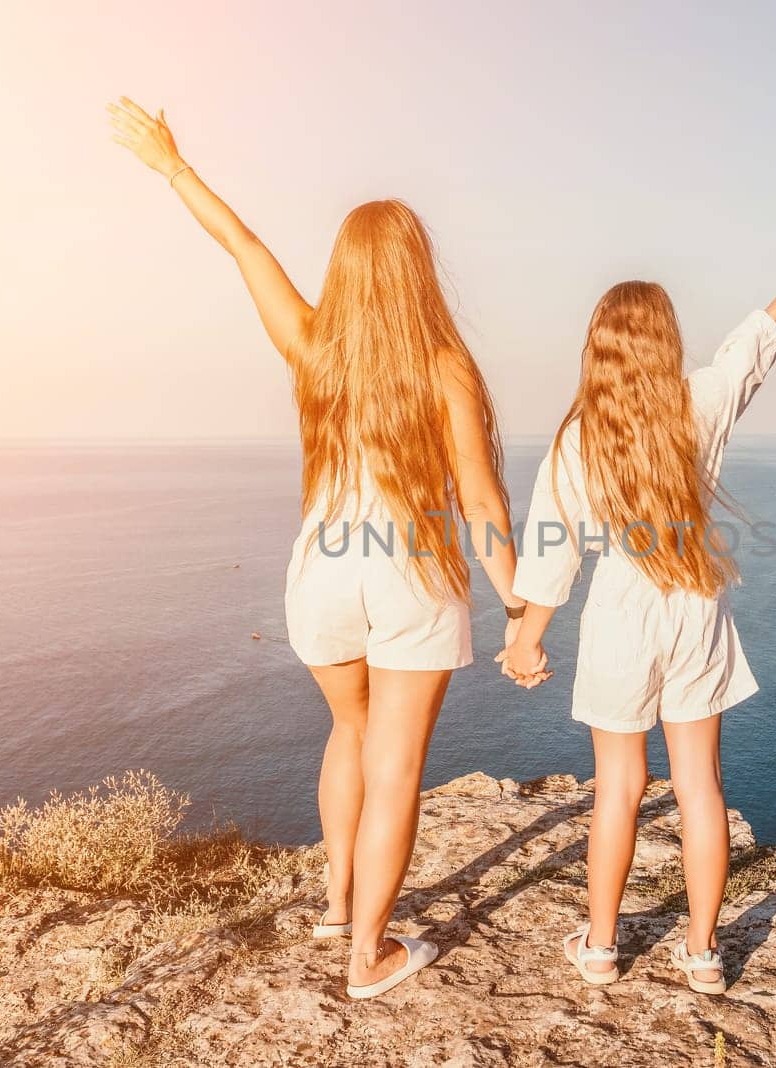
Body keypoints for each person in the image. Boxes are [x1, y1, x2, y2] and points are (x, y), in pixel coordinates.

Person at [109, 97, 528, 998]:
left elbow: (246, 248)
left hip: (321, 570)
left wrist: (172, 165)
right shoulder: (445, 365)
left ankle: (338, 902)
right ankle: (369, 955)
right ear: (418, 271)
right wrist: (520, 603)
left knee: (349, 728)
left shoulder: (313, 350)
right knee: (398, 768)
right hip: (410, 570)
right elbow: (481, 498)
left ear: (344, 270)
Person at [500, 193, 776, 992]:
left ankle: (602, 948)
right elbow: (765, 328)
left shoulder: (578, 435)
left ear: (597, 347)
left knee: (617, 789)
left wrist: (525, 639)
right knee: (701, 788)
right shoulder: (702, 403)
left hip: (620, 617)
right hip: (696, 612)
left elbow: (554, 548)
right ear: (667, 342)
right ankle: (701, 953)